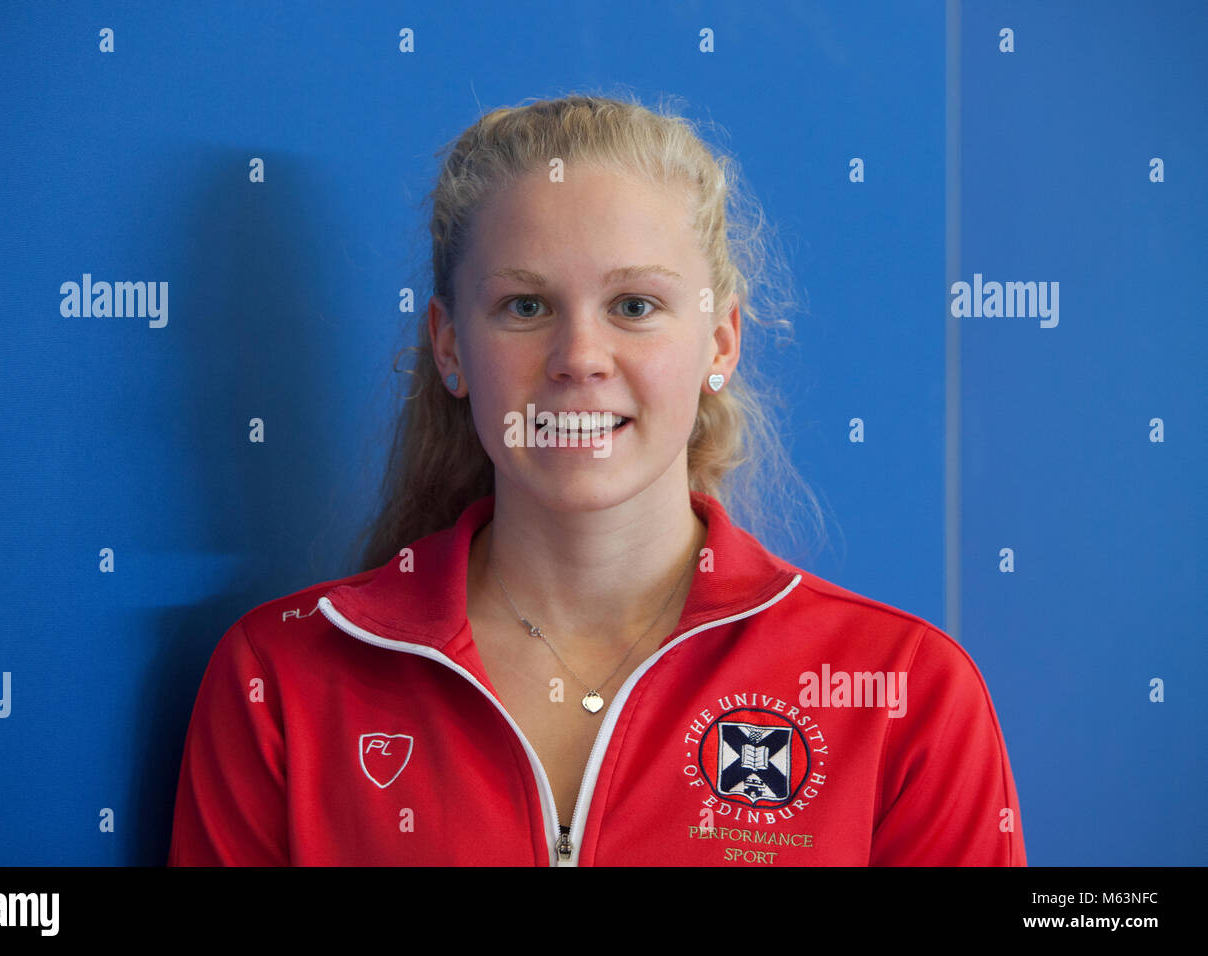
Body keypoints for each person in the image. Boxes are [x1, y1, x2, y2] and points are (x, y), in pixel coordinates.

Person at [167, 92, 1026, 866]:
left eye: (635, 306)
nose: (579, 358)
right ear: (450, 347)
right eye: (525, 307)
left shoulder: (904, 694)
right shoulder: (277, 681)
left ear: (720, 342)